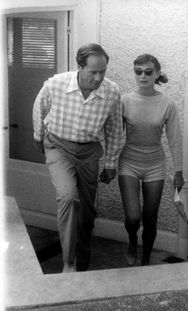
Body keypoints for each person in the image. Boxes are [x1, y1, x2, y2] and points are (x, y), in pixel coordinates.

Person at [33, 43, 123, 272]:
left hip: (89, 152)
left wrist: (111, 164)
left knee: (87, 211)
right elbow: (39, 107)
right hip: (58, 147)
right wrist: (38, 136)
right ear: (80, 67)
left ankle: (83, 254)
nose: (98, 77)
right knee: (68, 197)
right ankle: (68, 262)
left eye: (102, 71)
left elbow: (114, 130)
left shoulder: (111, 92)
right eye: (93, 72)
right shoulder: (56, 84)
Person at [118, 54, 184, 266]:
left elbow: (175, 140)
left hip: (155, 164)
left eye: (148, 72)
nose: (143, 76)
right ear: (134, 73)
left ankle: (145, 259)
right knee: (133, 218)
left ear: (156, 74)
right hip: (129, 161)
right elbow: (114, 135)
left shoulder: (167, 104)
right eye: (138, 71)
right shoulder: (125, 101)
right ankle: (131, 240)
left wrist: (179, 172)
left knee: (150, 218)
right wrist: (108, 163)